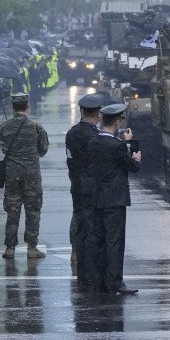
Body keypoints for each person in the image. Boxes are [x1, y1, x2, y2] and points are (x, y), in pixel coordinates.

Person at [86, 102, 142, 295]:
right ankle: (115, 282)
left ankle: (99, 280)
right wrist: (132, 152)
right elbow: (132, 167)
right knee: (115, 242)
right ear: (118, 122)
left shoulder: (93, 142)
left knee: (99, 240)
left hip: (97, 197)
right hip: (115, 199)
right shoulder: (116, 145)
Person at [0, 92, 50, 259]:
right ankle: (32, 247)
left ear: (13, 108)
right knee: (33, 210)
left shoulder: (4, 127)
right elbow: (43, 150)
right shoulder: (36, 127)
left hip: (12, 174)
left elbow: (4, 148)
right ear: (28, 107)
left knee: (12, 211)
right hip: (31, 174)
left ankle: (10, 248)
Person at [65, 93, 106, 282]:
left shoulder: (72, 133)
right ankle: (91, 262)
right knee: (93, 224)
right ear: (98, 114)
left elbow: (71, 160)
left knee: (79, 219)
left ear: (82, 111)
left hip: (77, 183)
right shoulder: (97, 137)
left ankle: (76, 253)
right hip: (93, 185)